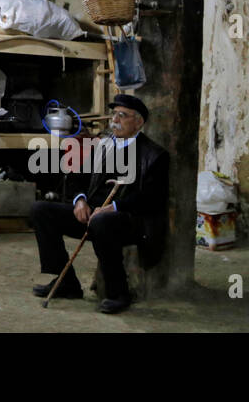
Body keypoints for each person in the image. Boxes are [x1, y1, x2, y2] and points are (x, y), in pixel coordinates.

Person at [28, 93, 168, 314]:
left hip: (129, 221)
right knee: (41, 210)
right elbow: (76, 179)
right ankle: (67, 282)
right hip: (91, 215)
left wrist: (113, 207)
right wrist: (79, 201)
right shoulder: (102, 146)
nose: (115, 120)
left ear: (138, 122)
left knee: (103, 222)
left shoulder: (155, 155)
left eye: (123, 115)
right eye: (114, 114)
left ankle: (118, 293)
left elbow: (151, 199)